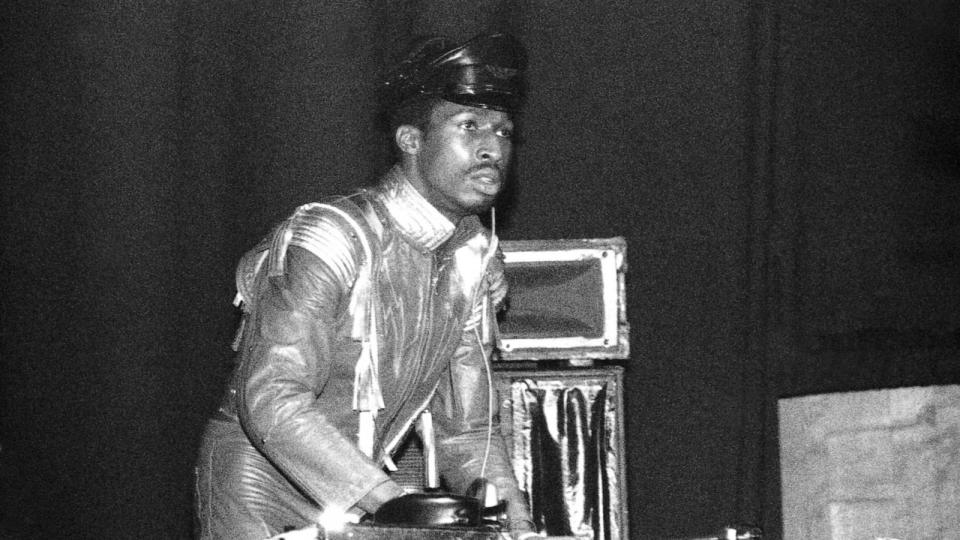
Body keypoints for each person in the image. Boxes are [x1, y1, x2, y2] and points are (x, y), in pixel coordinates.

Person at [194, 33, 537, 539]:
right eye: (469, 127)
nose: (492, 148)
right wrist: (389, 499)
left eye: (503, 132)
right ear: (411, 140)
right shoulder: (333, 235)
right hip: (263, 493)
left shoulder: (473, 258)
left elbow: (468, 431)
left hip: (359, 494)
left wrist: (520, 527)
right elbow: (270, 397)